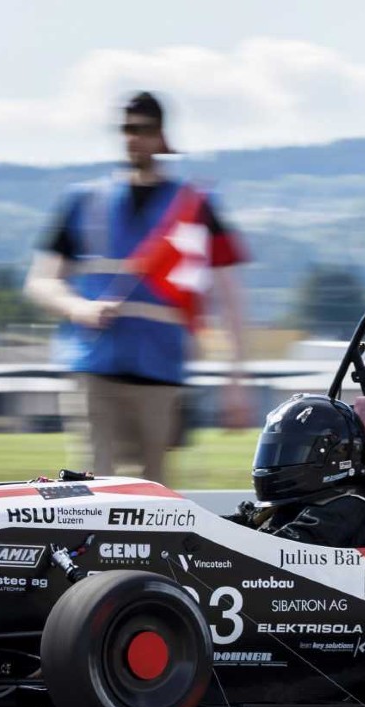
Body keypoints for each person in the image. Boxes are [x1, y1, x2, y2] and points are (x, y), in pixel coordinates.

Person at [25, 91, 249, 485]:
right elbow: (41, 281)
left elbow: (228, 294)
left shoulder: (191, 206)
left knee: (154, 492)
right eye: (127, 129)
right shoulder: (83, 201)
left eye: (144, 130)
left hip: (160, 369)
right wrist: (78, 308)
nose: (134, 138)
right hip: (95, 364)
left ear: (162, 137)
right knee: (95, 485)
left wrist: (236, 381)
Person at [226, 394, 365, 549]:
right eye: (273, 451)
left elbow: (278, 551)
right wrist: (243, 522)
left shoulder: (348, 510)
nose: (278, 459)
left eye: (290, 452)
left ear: (330, 456)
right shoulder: (290, 505)